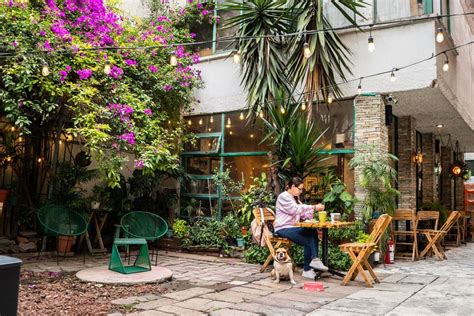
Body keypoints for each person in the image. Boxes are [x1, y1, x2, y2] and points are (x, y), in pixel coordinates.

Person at [274, 177, 328, 279]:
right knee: (308, 238)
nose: (301, 191)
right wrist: (313, 207)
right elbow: (294, 210)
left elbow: (302, 212)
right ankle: (309, 267)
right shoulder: (283, 196)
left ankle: (313, 262)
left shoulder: (295, 199)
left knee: (311, 231)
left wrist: (311, 213)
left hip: (293, 227)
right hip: (283, 228)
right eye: (300, 189)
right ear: (293, 186)